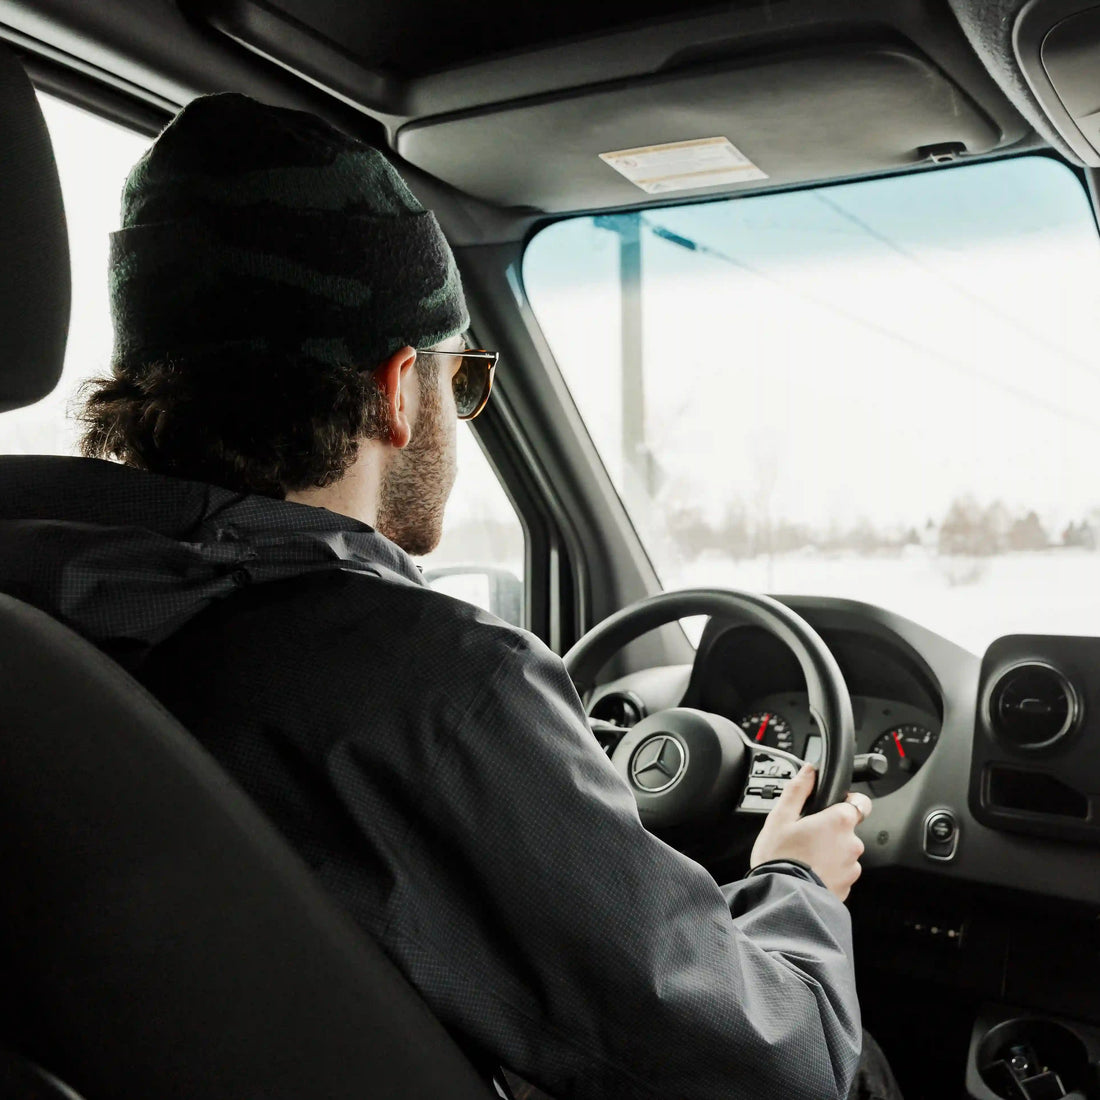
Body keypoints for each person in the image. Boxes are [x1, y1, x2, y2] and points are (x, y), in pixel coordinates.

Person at [0, 93, 900, 1099]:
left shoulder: (36, 604)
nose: (451, 409)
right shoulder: (429, 685)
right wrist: (793, 883)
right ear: (395, 388)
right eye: (457, 379)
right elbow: (774, 1067)